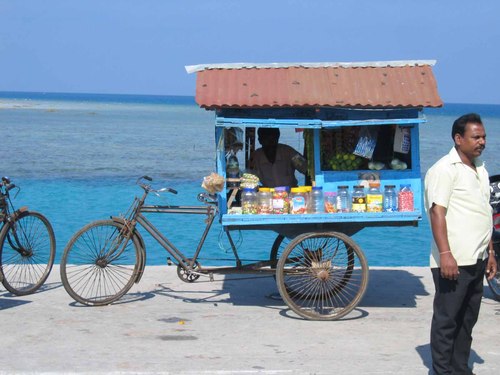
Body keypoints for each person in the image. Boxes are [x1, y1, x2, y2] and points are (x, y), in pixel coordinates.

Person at [424, 113, 497, 375]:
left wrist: (490, 253)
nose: (482, 142)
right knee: (447, 320)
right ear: (458, 139)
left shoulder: (480, 169)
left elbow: (483, 212)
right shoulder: (443, 170)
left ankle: (460, 369)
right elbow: (437, 212)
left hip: (476, 259)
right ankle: (442, 371)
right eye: (476, 137)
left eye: (484, 137)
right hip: (453, 260)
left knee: (467, 319)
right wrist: (445, 254)